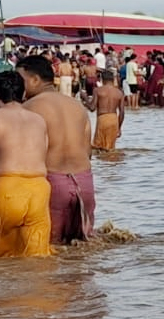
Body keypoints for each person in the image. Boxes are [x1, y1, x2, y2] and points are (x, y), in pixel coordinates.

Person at [16, 55, 94, 243]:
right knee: (83, 248)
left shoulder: (28, 108)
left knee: (49, 249)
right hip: (84, 183)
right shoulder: (77, 107)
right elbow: (88, 151)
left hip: (53, 183)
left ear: (35, 80)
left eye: (21, 80)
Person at [0, 70, 52, 257]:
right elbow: (44, 152)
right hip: (39, 189)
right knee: (37, 259)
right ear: (23, 94)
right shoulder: (38, 120)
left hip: (7, 189)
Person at [91, 70, 125, 151]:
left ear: (102, 80)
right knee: (110, 148)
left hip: (102, 118)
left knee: (98, 147)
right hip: (114, 119)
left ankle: (102, 163)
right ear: (113, 79)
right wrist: (119, 128)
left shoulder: (97, 90)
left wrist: (84, 97)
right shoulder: (119, 92)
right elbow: (122, 112)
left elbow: (92, 108)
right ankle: (110, 162)